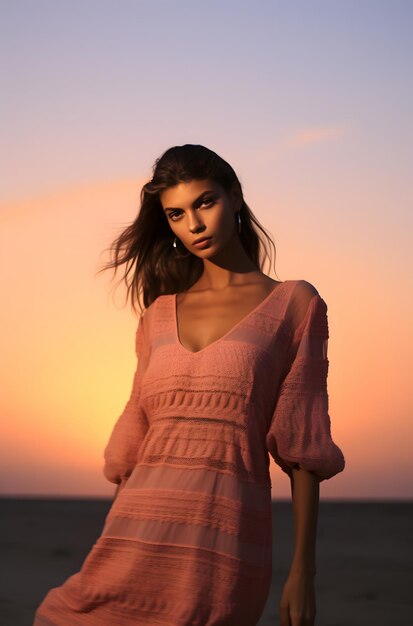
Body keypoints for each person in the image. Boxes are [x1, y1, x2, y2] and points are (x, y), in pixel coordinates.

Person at [33, 144, 345, 626]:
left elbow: (302, 448)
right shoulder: (156, 316)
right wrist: (107, 547)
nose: (194, 224)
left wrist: (303, 570)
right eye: (176, 214)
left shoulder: (294, 304)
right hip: (132, 537)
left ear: (235, 197)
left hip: (222, 545)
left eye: (205, 202)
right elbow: (134, 447)